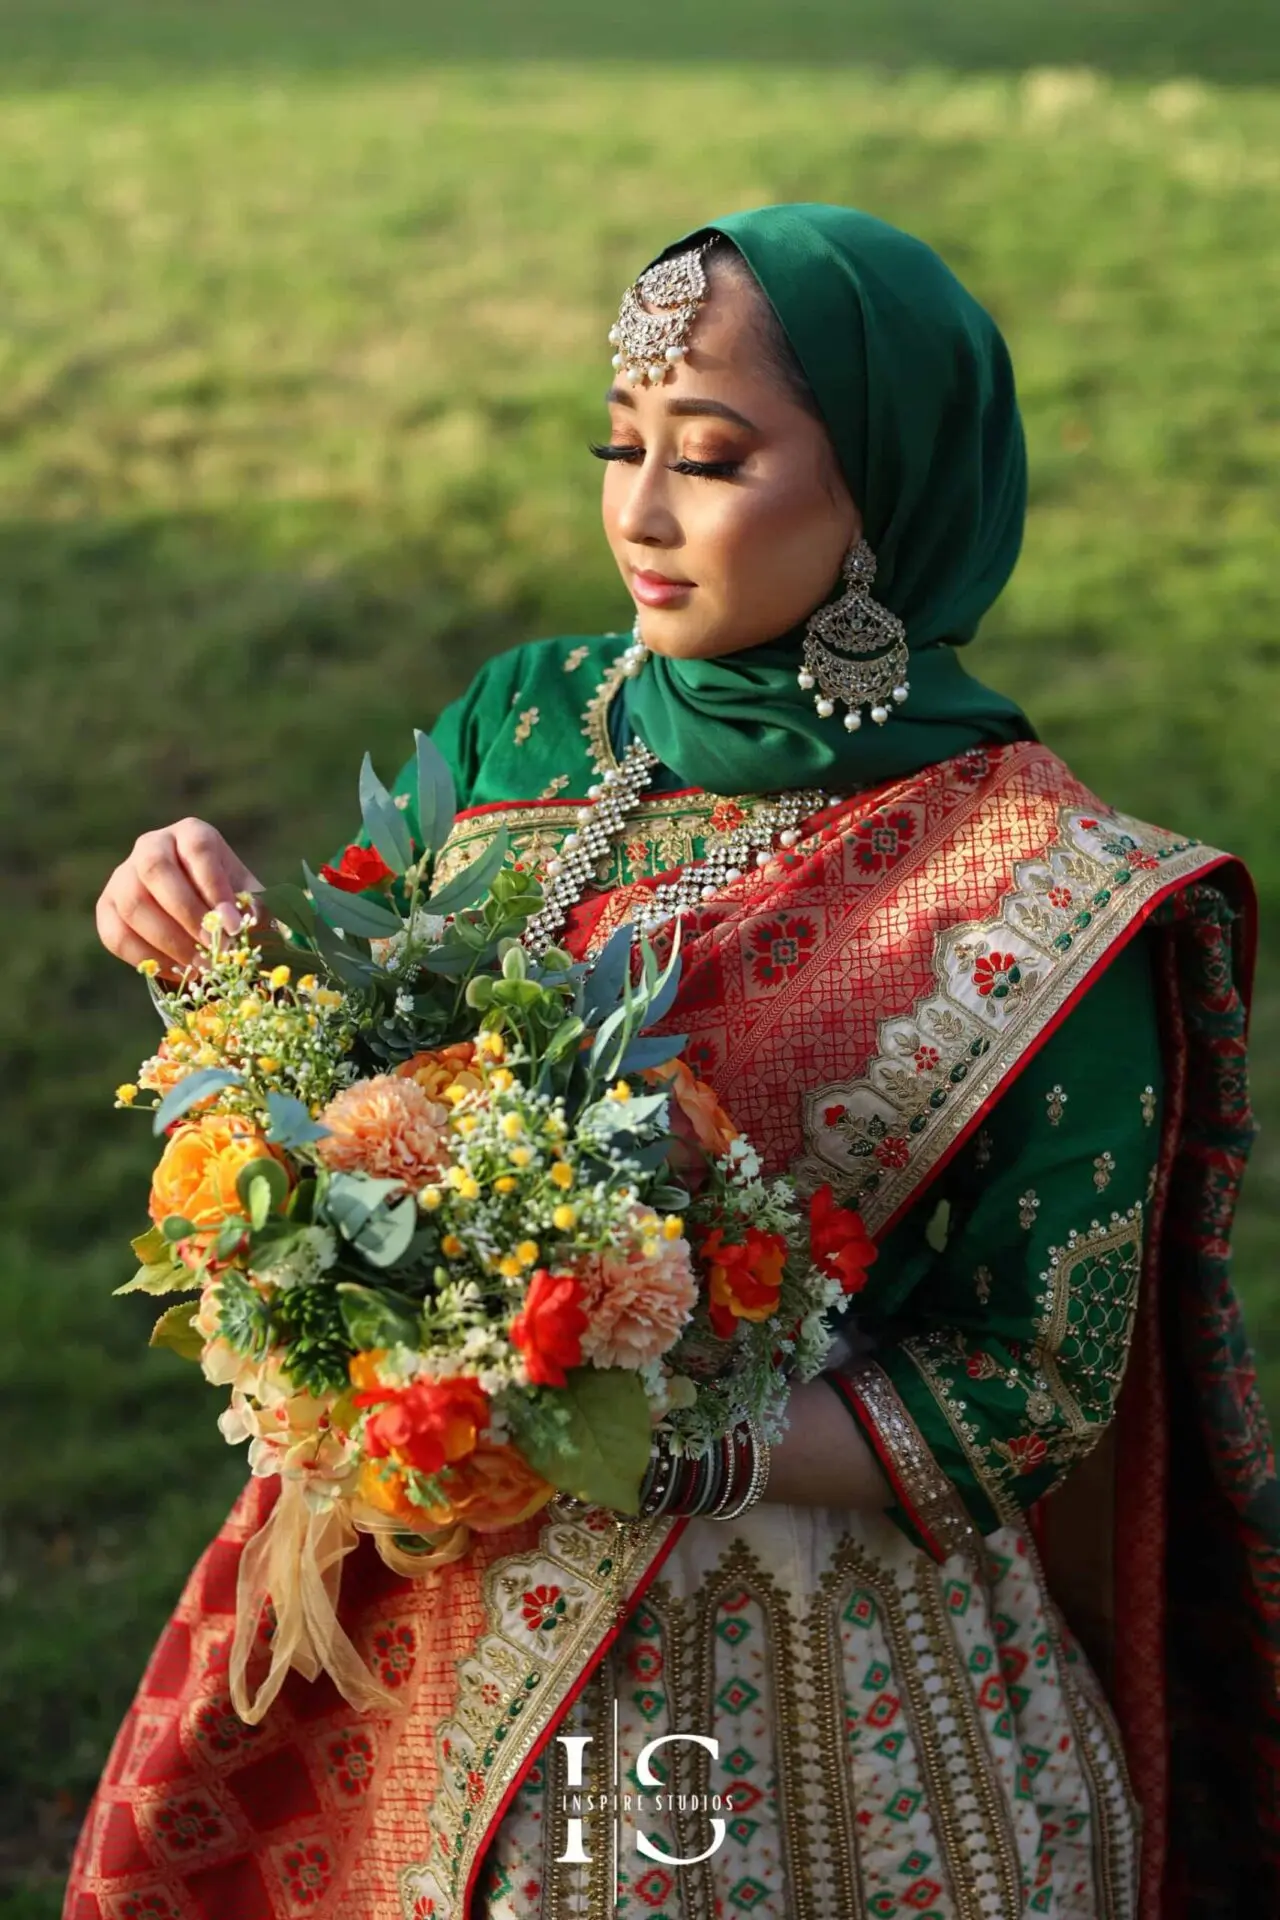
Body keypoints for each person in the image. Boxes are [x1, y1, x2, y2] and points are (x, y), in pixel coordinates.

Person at [76, 205, 1279, 1920]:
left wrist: (652, 1433)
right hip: (422, 1563)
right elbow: (380, 1065)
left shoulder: (1050, 891)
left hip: (801, 1662)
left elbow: (1031, 1388)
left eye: (708, 460)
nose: (636, 511)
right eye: (618, 443)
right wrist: (230, 970)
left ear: (880, 495)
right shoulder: (524, 720)